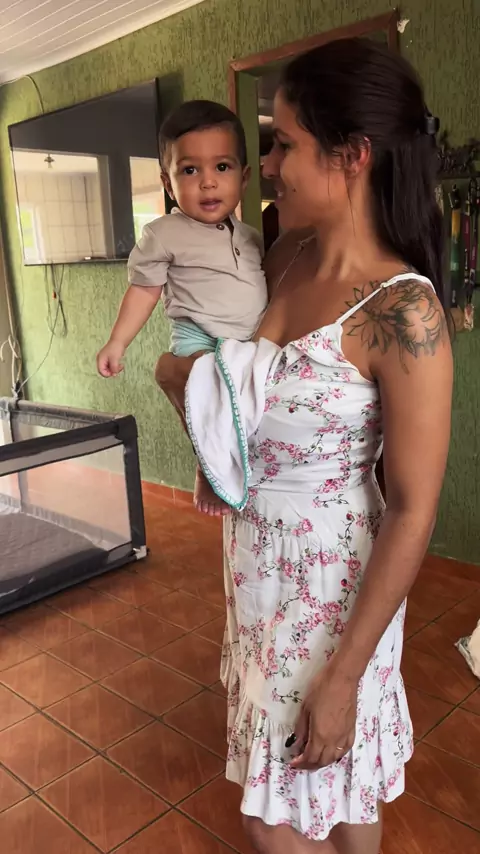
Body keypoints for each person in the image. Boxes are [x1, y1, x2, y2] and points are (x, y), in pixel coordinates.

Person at [155, 37, 452, 854]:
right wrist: (183, 384)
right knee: (336, 782)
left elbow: (415, 510)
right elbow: (241, 410)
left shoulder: (404, 312)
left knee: (272, 808)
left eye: (284, 143)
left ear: (351, 156)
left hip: (334, 584)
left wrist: (346, 676)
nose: (269, 166)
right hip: (256, 561)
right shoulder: (280, 255)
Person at [96, 100, 268, 514]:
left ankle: (233, 470)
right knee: (208, 406)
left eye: (222, 167)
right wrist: (117, 342)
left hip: (248, 342)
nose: (208, 183)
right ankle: (207, 470)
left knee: (247, 412)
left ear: (244, 177)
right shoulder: (164, 234)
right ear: (168, 183)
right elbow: (144, 290)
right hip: (198, 338)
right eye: (190, 170)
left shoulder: (251, 237)